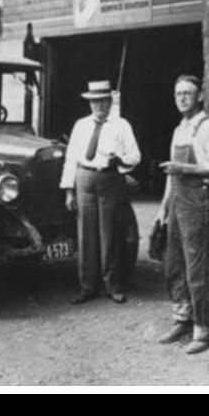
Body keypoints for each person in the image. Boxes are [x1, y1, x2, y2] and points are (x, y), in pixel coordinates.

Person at [156, 75, 209, 355]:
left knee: (198, 266)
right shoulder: (179, 129)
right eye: (177, 94)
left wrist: (184, 169)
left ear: (200, 96)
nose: (182, 98)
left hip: (199, 201)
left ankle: (203, 328)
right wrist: (163, 208)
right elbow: (170, 176)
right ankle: (181, 318)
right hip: (176, 200)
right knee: (174, 263)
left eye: (187, 93)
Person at [59, 80, 141, 304]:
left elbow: (135, 156)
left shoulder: (121, 125)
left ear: (110, 102)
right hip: (84, 179)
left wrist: (121, 160)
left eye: (103, 101)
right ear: (90, 103)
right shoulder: (81, 125)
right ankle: (87, 287)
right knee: (86, 234)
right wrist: (69, 191)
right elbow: (70, 159)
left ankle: (112, 285)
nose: (99, 106)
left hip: (109, 179)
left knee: (109, 233)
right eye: (94, 102)